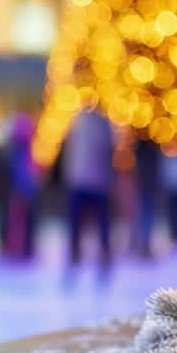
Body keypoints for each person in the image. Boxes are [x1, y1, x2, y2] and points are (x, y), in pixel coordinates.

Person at [62, 108, 116, 272]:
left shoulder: (77, 122)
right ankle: (96, 251)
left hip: (82, 180)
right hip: (93, 181)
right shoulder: (101, 124)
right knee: (97, 220)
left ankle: (78, 251)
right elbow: (108, 149)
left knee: (82, 220)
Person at [1, 114, 38, 262]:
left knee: (18, 221)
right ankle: (19, 248)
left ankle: (18, 248)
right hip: (21, 191)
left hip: (20, 191)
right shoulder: (22, 150)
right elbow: (24, 172)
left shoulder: (17, 150)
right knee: (19, 221)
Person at [131, 136, 163, 260]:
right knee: (146, 218)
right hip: (147, 189)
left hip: (143, 189)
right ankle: (144, 245)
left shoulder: (140, 155)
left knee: (142, 218)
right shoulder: (152, 154)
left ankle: (142, 245)